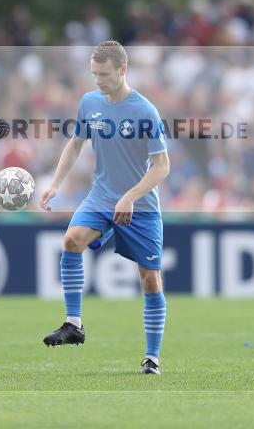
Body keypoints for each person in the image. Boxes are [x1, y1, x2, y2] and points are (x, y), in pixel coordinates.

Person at [39, 41, 170, 375]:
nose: (97, 80)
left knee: (150, 280)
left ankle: (152, 357)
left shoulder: (145, 112)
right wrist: (56, 183)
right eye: (94, 74)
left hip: (139, 204)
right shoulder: (89, 102)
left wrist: (130, 196)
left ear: (123, 70)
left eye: (104, 74)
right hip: (100, 197)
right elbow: (75, 143)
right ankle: (74, 324)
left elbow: (161, 166)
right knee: (71, 240)